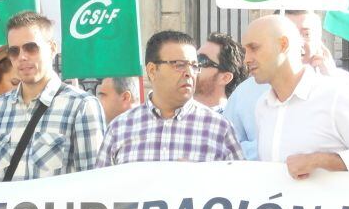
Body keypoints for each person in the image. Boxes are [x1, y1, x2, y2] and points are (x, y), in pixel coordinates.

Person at [0, 11, 105, 182]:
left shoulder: (81, 106)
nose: (22, 57)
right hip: (7, 208)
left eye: (31, 48)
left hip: (57, 208)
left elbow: (94, 185)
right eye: (14, 51)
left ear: (52, 49)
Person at [243, 15, 349, 179]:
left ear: (283, 45)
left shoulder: (336, 95)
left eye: (254, 48)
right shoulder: (262, 106)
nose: (246, 59)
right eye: (245, 51)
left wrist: (321, 161)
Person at [98, 31, 242, 166]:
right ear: (152, 71)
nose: (189, 73)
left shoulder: (219, 128)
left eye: (194, 66)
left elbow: (240, 186)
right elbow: (100, 187)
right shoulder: (120, 128)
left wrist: (201, 177)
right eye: (179, 65)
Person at [225, 10, 349, 159]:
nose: (299, 41)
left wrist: (324, 162)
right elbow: (227, 148)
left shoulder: (342, 90)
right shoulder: (253, 99)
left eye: (306, 34)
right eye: (293, 32)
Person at [194, 31, 247, 114]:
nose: (192, 65)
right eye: (193, 57)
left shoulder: (231, 121)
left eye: (201, 60)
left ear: (225, 78)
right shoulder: (174, 112)